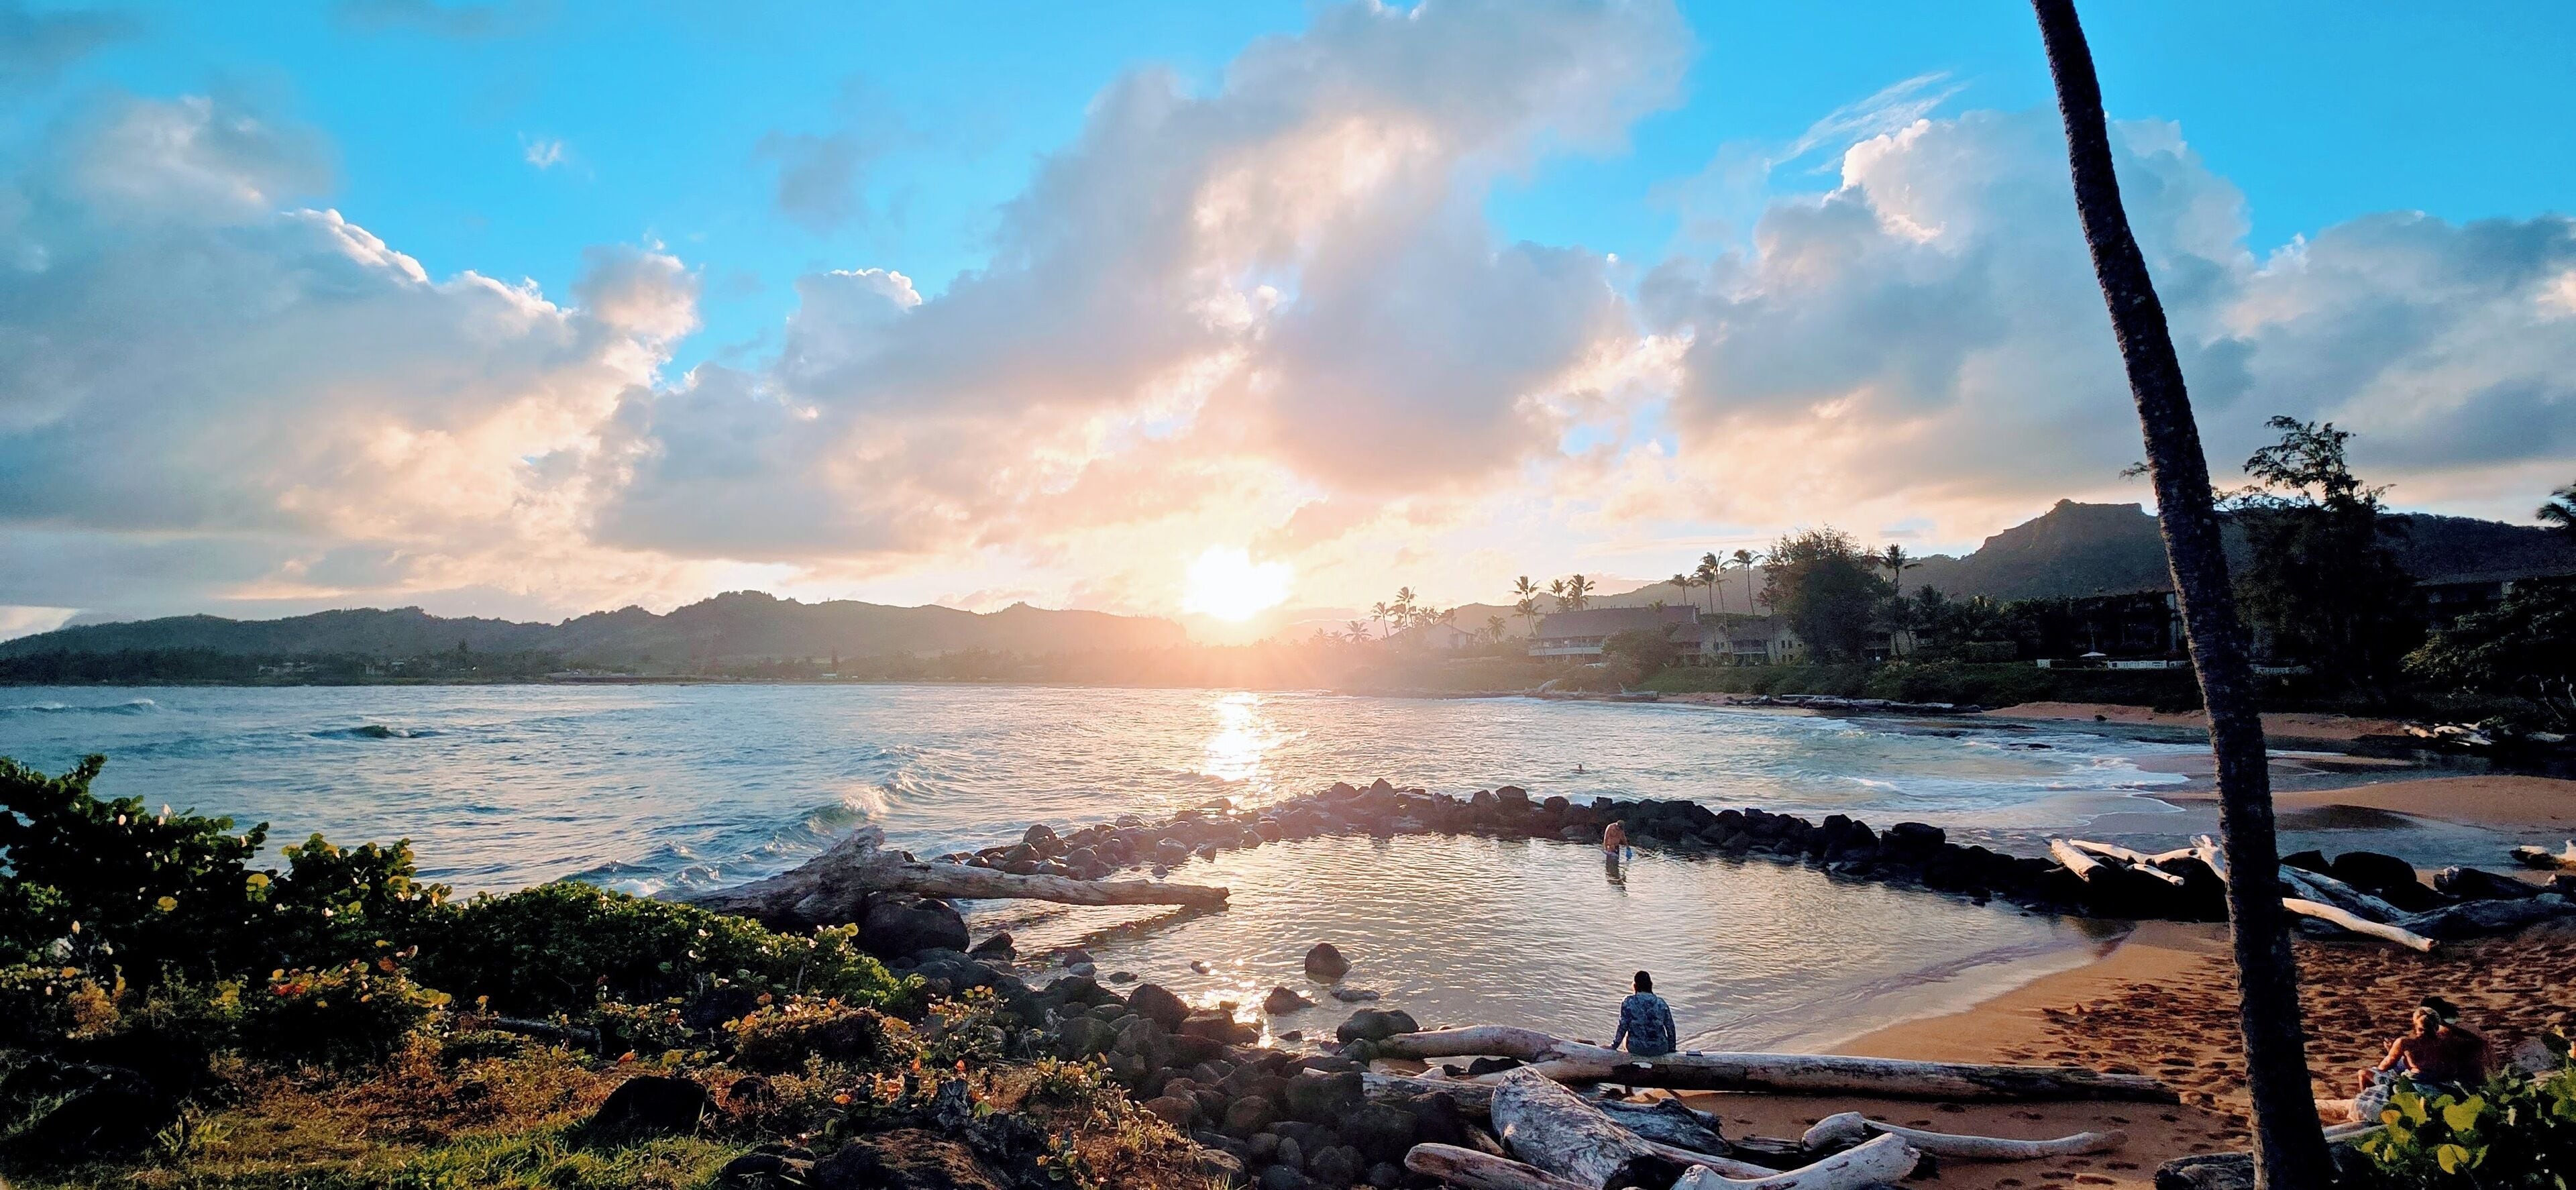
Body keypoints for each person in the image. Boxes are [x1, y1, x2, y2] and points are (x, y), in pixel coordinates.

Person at [2353, 996, 2489, 1120]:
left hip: (2417, 1084)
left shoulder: (2406, 1043)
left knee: (2364, 1074)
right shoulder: (2447, 1041)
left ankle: (2372, 1115)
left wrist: (2392, 1050)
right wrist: (2452, 1028)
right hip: (2441, 1083)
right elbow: (2479, 1041)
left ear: (2416, 1024)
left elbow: (2384, 1067)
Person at [1611, 971, 1678, 1059]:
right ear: (1651, 985)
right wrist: (1672, 1049)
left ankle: (1630, 1061)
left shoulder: (1628, 1002)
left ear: (1635, 986)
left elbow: (1623, 1027)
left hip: (1636, 1048)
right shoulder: (1661, 1003)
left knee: (1626, 1037)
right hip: (1659, 1049)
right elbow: (1670, 1028)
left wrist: (1614, 1046)